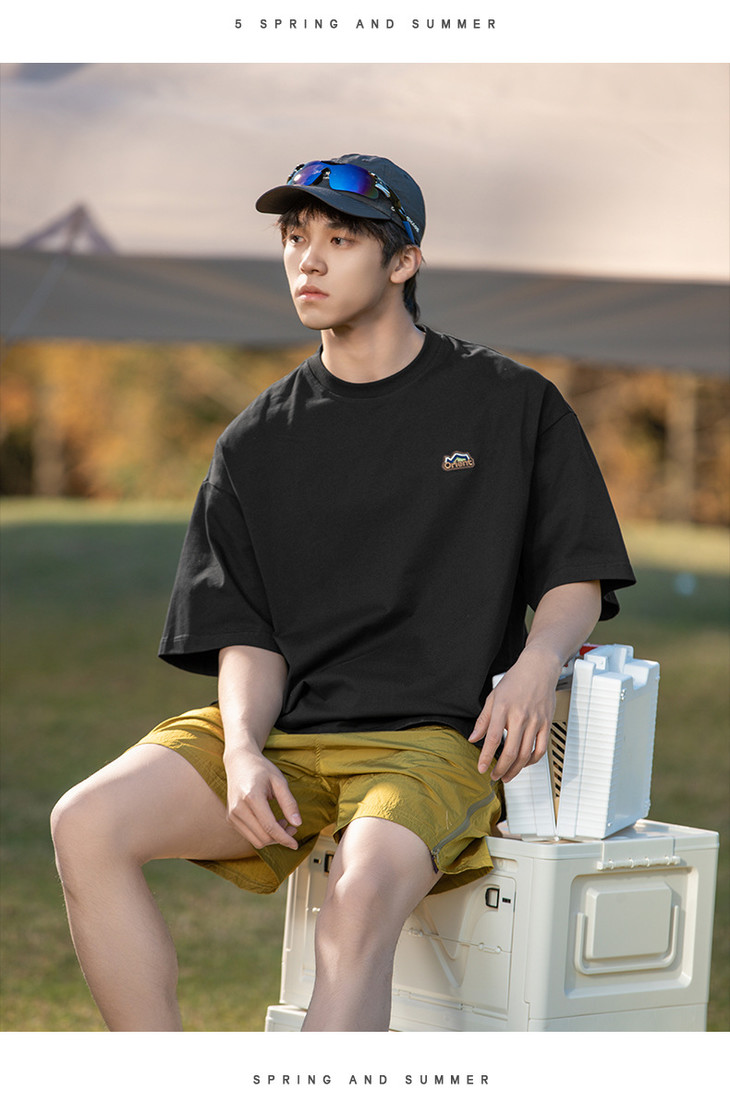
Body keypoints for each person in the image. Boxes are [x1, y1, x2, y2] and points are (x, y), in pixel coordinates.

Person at [50, 154, 636, 1032]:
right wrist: (241, 749)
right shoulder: (256, 441)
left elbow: (573, 576)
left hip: (432, 743)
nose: (308, 260)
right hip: (288, 736)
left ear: (403, 261)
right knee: (85, 822)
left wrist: (535, 665)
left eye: (340, 239)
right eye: (294, 238)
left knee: (356, 898)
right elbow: (248, 634)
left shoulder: (511, 404)